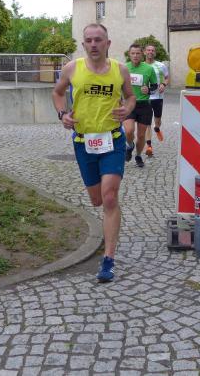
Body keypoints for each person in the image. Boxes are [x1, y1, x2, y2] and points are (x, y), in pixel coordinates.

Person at [52, 23, 135, 283]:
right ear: (83, 44)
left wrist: (127, 109)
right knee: (97, 200)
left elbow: (131, 97)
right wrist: (62, 114)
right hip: (83, 142)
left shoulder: (120, 70)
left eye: (98, 40)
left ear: (108, 43)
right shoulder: (72, 68)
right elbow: (57, 92)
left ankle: (108, 259)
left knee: (109, 197)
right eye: (88, 40)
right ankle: (109, 233)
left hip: (112, 140)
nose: (93, 44)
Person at [123, 44, 157, 168]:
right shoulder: (124, 68)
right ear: (129, 54)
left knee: (141, 135)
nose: (135, 56)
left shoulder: (148, 69)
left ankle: (138, 155)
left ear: (142, 54)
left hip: (144, 105)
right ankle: (129, 146)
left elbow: (154, 86)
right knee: (129, 131)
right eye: (133, 53)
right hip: (128, 104)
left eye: (138, 53)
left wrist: (148, 90)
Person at [143, 44, 170, 157]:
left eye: (152, 50)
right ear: (144, 52)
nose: (150, 52)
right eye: (148, 50)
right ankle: (149, 146)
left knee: (157, 121)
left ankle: (157, 128)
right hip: (146, 98)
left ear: (155, 53)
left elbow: (167, 77)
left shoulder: (161, 65)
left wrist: (164, 84)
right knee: (147, 123)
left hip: (158, 97)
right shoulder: (141, 66)